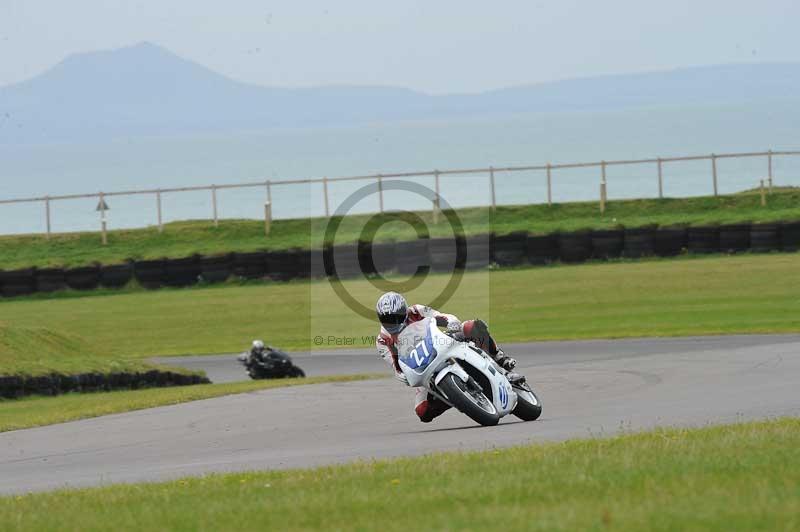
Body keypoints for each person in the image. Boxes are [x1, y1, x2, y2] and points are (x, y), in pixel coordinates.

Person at [375, 291, 517, 423]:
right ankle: (457, 397)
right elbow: (397, 366)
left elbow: (441, 317)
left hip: (440, 342)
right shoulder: (382, 341)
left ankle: (500, 358)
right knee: (423, 412)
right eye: (387, 319)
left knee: (470, 326)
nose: (393, 321)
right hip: (423, 366)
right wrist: (401, 375)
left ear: (404, 310)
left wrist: (451, 322)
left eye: (396, 316)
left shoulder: (417, 310)